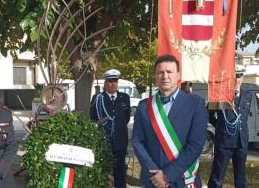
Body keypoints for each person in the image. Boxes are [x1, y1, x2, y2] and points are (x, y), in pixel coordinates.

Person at [132, 54, 207, 188]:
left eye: (169, 72)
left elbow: (195, 145)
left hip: (183, 178)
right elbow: (138, 142)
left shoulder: (196, 104)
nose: (165, 76)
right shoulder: (144, 106)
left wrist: (167, 174)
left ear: (178, 75)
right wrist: (155, 173)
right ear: (155, 76)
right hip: (153, 179)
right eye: (160, 72)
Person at [207, 65, 251, 188]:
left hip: (241, 142)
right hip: (224, 142)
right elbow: (209, 114)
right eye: (236, 76)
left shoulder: (248, 95)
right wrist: (221, 127)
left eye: (240, 76)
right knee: (217, 177)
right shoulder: (220, 95)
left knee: (241, 178)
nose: (238, 79)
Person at [89, 69, 131, 188]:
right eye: (110, 81)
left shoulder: (125, 98)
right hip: (103, 141)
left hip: (120, 142)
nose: (113, 84)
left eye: (115, 81)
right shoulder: (98, 98)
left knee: (120, 173)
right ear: (105, 83)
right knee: (101, 172)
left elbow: (126, 118)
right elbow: (93, 118)